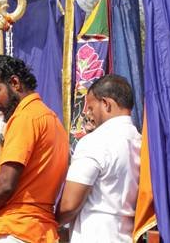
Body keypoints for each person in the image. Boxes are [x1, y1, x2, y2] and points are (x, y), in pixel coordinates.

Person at [0, 55, 70, 243]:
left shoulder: (24, 117)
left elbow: (5, 184)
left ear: (15, 83)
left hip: (15, 231)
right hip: (40, 232)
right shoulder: (54, 122)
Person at [56, 74, 142, 242]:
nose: (88, 114)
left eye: (90, 107)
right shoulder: (141, 142)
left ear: (106, 104)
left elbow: (68, 205)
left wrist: (49, 221)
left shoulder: (95, 142)